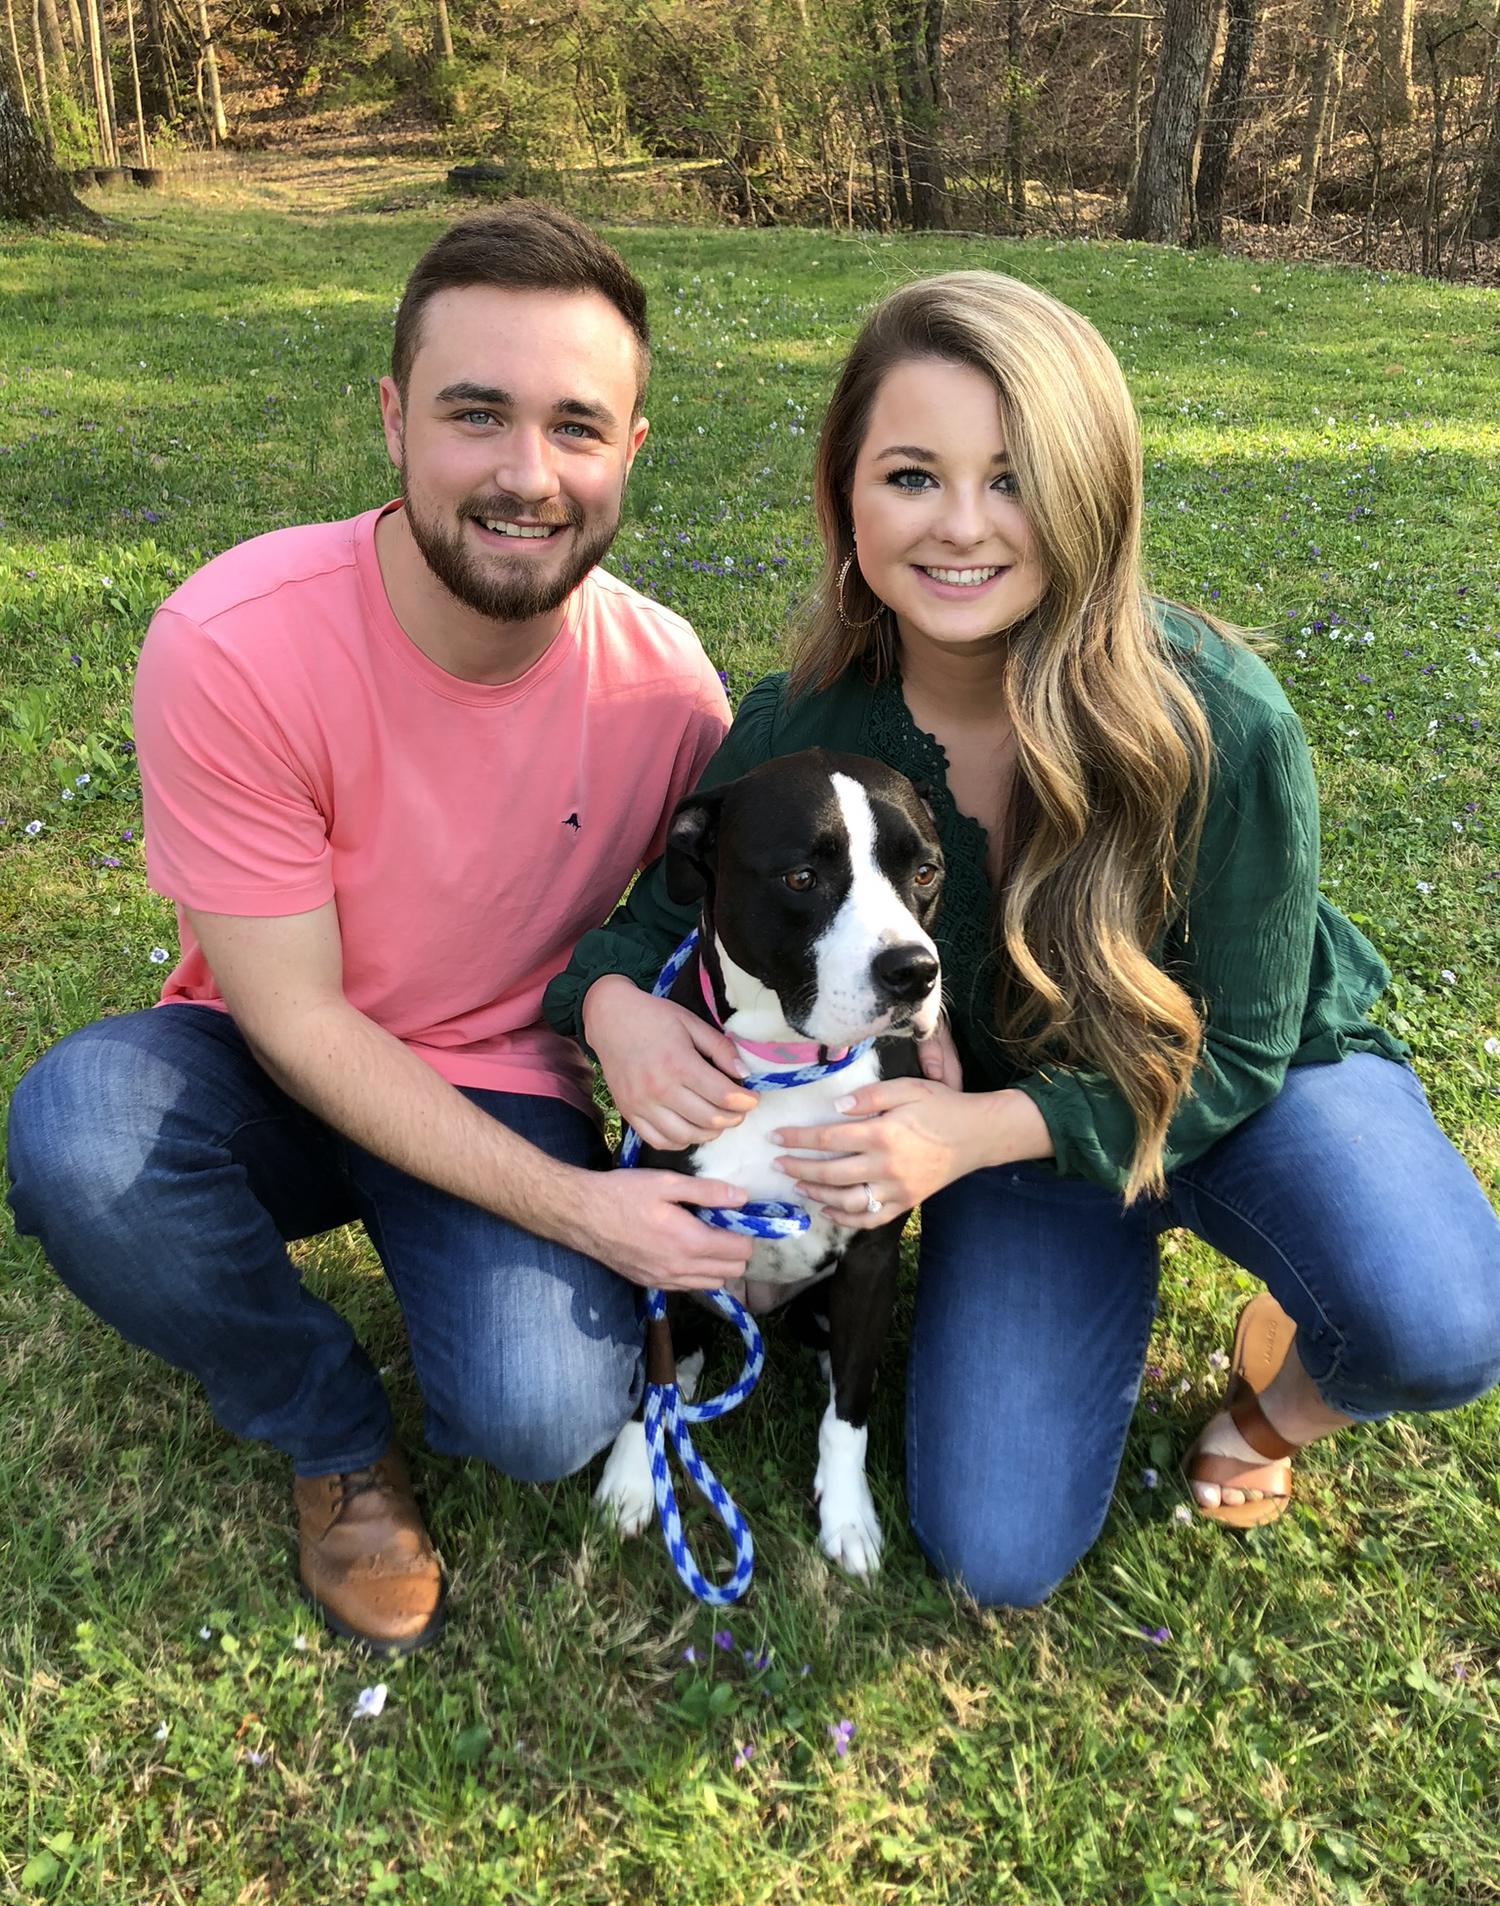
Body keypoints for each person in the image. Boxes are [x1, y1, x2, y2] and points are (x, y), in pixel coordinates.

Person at [544, 269, 1500, 1609]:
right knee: (996, 1550)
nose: (962, 526)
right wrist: (617, 1011)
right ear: (847, 493)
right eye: (913, 476)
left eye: (1016, 479)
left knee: (1438, 1316)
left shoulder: (1218, 716)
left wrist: (973, 1132)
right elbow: (644, 931)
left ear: (1094, 494)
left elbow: (1240, 1047)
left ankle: (1271, 1407)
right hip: (1010, 1142)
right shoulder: (804, 726)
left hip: (1238, 1080)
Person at [6, 202, 761, 1655]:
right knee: (82, 1138)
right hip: (266, 1056)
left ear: (630, 450)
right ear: (393, 420)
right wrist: (582, 1213)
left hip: (502, 1075)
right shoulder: (237, 642)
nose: (526, 474)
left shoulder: (671, 693)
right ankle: (331, 1431)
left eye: (575, 426)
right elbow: (294, 1017)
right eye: (477, 413)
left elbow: (698, 942)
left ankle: (459, 1272)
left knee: (544, 1417)